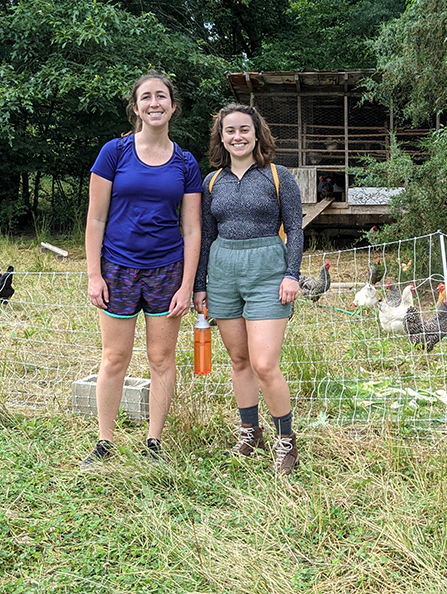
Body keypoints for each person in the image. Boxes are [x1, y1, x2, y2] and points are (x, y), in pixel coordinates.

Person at [82, 71, 202, 468]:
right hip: (117, 269)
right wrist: (94, 274)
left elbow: (191, 228)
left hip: (167, 271)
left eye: (162, 96)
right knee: (114, 357)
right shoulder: (114, 153)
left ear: (172, 106)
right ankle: (104, 442)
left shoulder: (185, 163)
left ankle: (154, 441)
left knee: (161, 359)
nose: (155, 103)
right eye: (147, 97)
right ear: (136, 108)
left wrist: (186, 285)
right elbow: (95, 219)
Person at [193, 103, 304, 475]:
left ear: (257, 133)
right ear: (220, 137)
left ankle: (286, 442)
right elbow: (206, 236)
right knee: (239, 361)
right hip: (223, 272)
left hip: (267, 270)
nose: (237, 137)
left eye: (244, 130)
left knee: (264, 363)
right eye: (230, 131)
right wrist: (199, 286)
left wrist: (292, 274)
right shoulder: (211, 182)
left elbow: (296, 228)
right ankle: (249, 432)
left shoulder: (277, 176)